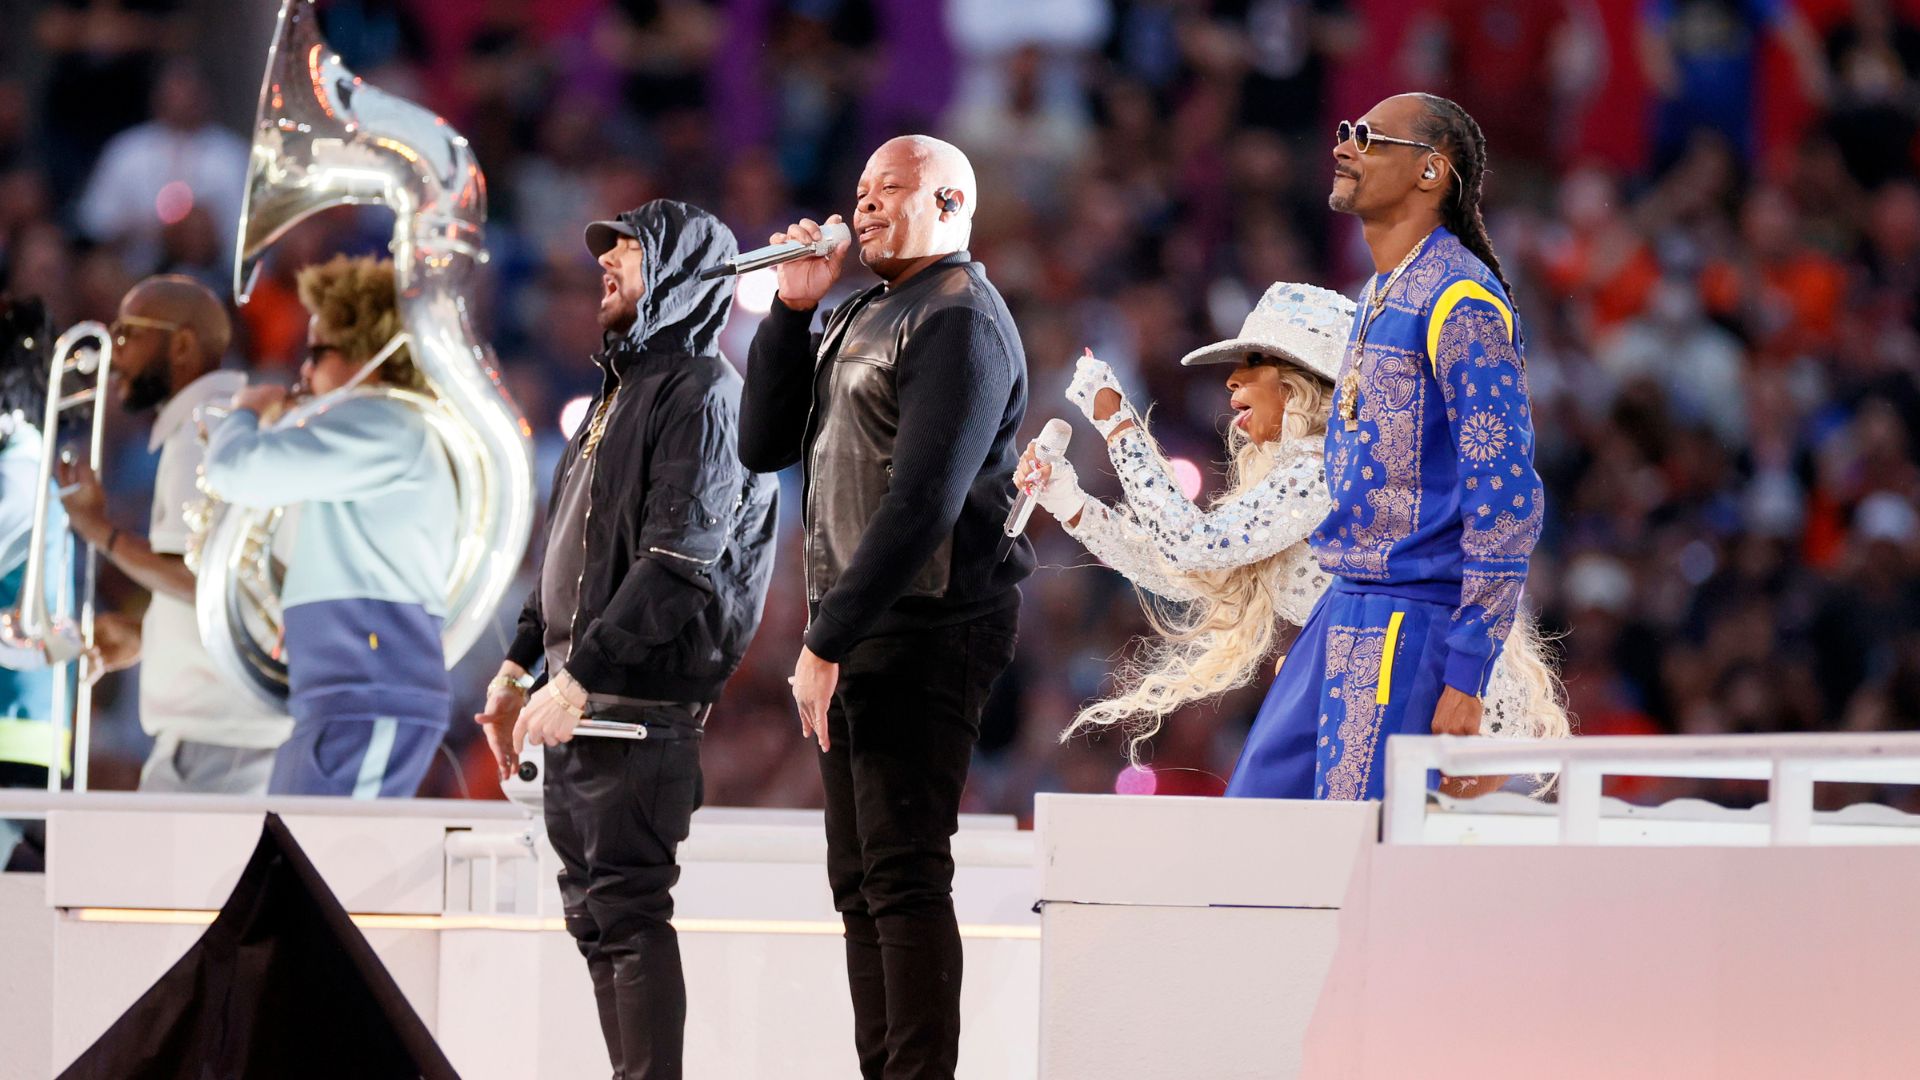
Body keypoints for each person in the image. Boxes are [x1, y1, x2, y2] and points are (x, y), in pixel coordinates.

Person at [1015, 282, 1567, 797]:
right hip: (1361, 684)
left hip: (1422, 697)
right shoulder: (1308, 473)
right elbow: (1186, 577)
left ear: (1304, 380)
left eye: (1255, 362)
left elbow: (1190, 544)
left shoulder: (1330, 466)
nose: (1233, 379)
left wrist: (1118, 425)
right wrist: (1073, 506)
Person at [739, 135, 1030, 1080]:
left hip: (929, 622)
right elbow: (763, 443)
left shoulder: (959, 318)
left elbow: (925, 503)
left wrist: (825, 638)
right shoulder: (863, 306)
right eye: (859, 188)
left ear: (950, 206)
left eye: (890, 190)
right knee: (858, 879)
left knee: (903, 871)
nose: (862, 205)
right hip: (862, 622)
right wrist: (791, 310)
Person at [473, 200, 777, 1080]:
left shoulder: (705, 393)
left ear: (681, 274)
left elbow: (680, 561)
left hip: (635, 709)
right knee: (598, 920)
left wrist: (574, 682)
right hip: (585, 702)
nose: (607, 265)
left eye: (629, 254)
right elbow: (563, 555)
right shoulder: (617, 393)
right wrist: (516, 667)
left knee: (628, 912)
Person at [201, 255, 456, 798]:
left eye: (316, 353)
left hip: (366, 697)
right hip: (347, 699)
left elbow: (233, 470)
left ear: (371, 352)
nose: (303, 373)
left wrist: (245, 414)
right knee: (300, 868)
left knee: (324, 874)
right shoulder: (377, 428)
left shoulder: (380, 422)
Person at [57, 275, 289, 793]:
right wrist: (148, 638)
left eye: (127, 333)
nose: (114, 354)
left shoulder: (198, 433)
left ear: (181, 344)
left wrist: (97, 529)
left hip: (213, 740)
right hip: (226, 735)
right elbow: (236, 595)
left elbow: (202, 584)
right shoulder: (228, 423)